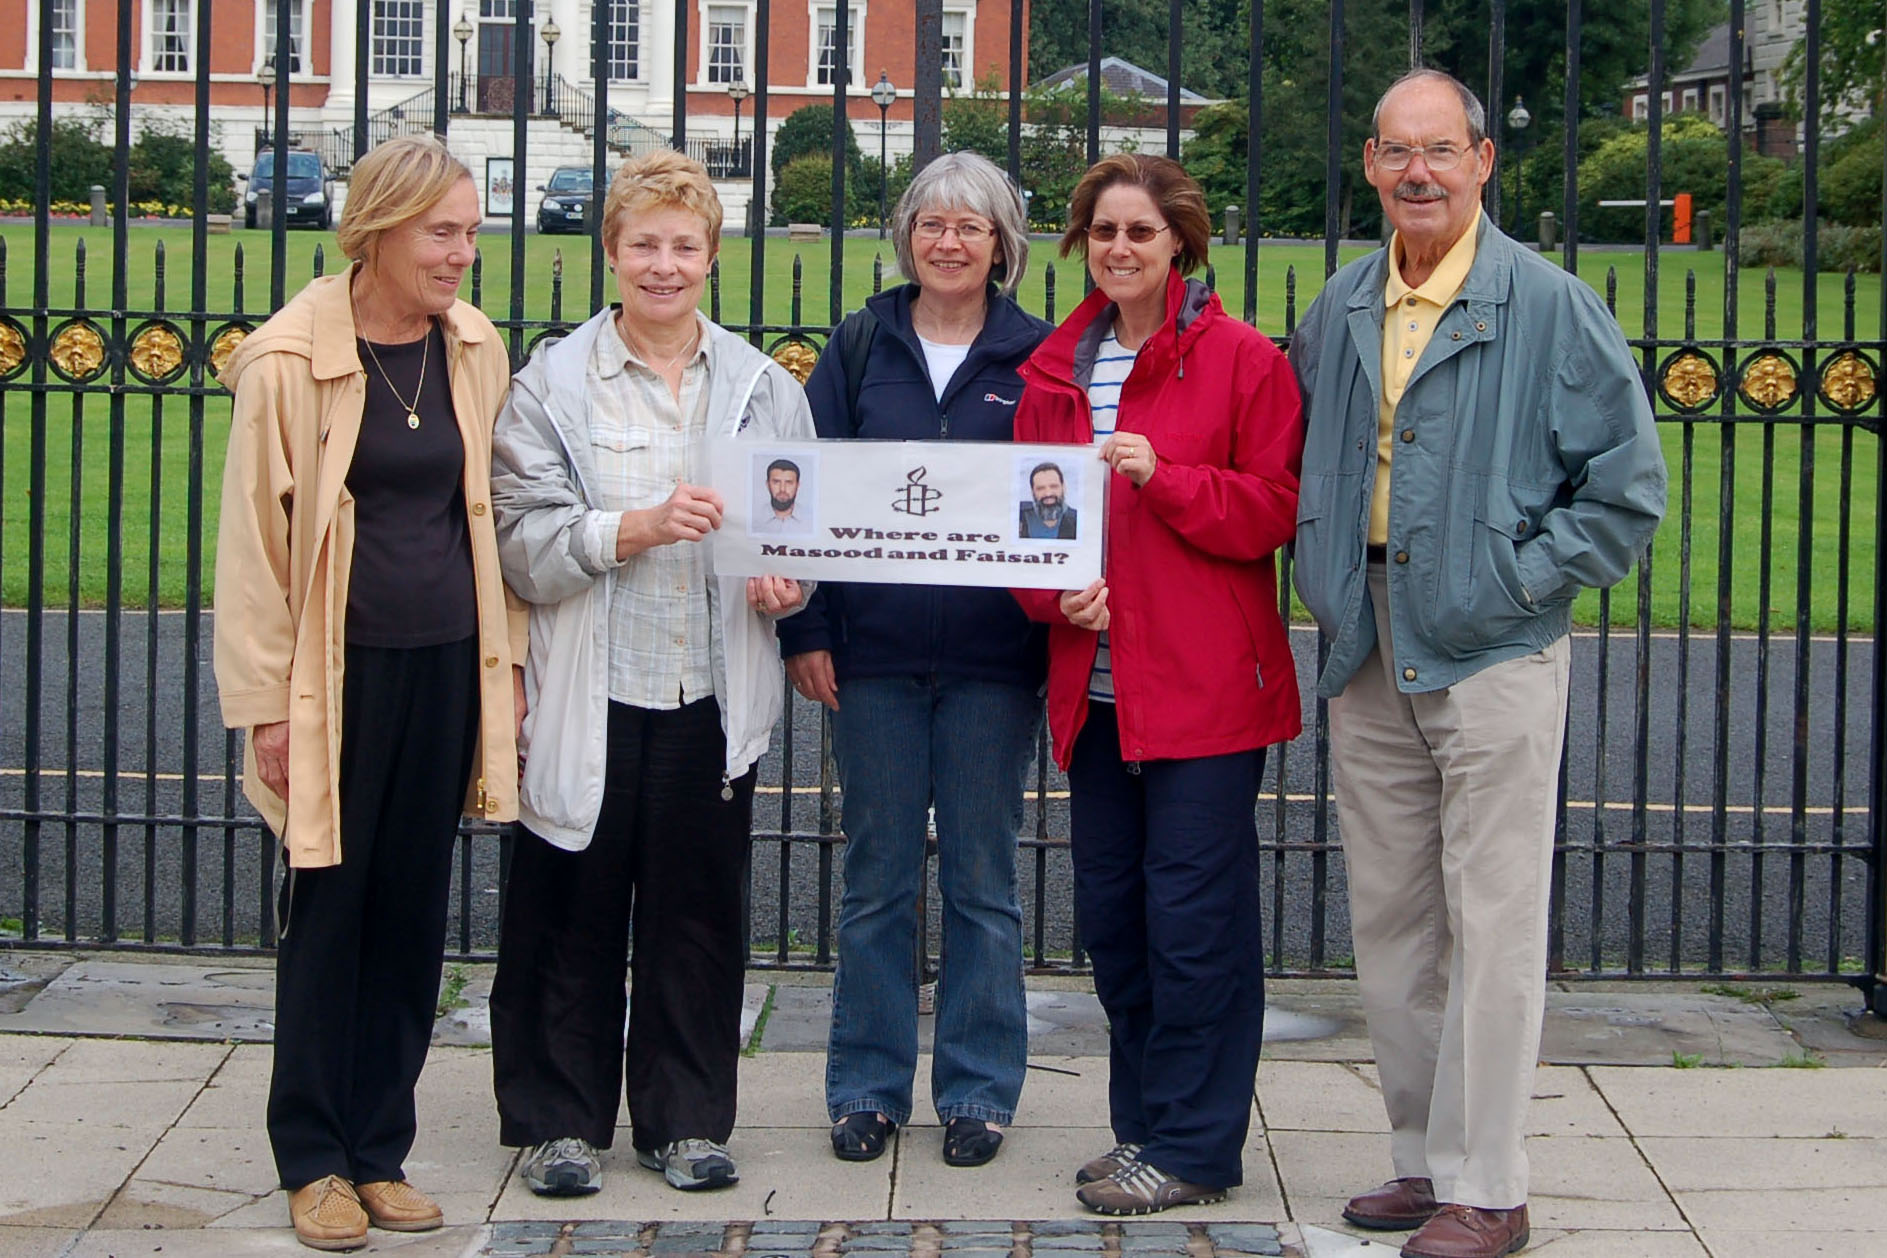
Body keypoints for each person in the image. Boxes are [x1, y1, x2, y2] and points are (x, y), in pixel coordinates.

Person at [1290, 70, 1665, 1258]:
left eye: (1441, 150)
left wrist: (1512, 580)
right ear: (1369, 163)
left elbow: (1624, 493)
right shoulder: (1341, 304)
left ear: (1483, 161)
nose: (1419, 172)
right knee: (1394, 920)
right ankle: (1423, 1161)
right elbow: (1298, 460)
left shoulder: (1549, 305)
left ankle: (1491, 1185)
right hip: (1368, 640)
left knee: (1494, 919)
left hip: (1494, 645)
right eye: (1398, 151)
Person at [212, 134, 523, 1252]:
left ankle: (379, 1150)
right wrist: (262, 713)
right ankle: (313, 1157)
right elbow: (253, 549)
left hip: (446, 663)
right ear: (380, 227)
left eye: (472, 232)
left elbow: (488, 517)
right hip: (330, 683)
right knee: (329, 915)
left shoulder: (472, 347)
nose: (463, 254)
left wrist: (510, 678)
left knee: (410, 914)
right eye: (445, 232)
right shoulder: (290, 357)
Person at [487, 150, 814, 1198]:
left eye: (683, 245)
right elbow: (519, 542)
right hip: (590, 683)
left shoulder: (764, 387)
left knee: (695, 914)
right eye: (643, 245)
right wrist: (628, 527)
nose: (663, 266)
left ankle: (685, 1121)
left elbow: (799, 536)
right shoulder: (553, 383)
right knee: (566, 906)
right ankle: (559, 1122)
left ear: (711, 256)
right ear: (612, 252)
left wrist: (784, 584)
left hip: (707, 694)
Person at [1011, 153, 1302, 1214]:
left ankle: (1195, 1145)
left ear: (1181, 240)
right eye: (1103, 231)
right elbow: (1027, 530)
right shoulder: (1055, 371)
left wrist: (1164, 479)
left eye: (1141, 230)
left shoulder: (1240, 361)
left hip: (1206, 694)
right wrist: (1060, 601)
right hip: (1095, 692)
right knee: (1118, 921)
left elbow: (1273, 508)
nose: (1120, 248)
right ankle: (1143, 1126)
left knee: (1195, 925)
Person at [776, 151, 1053, 1169]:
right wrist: (804, 630)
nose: (947, 243)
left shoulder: (1039, 354)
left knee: (983, 877)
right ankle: (866, 1087)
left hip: (993, 661)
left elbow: (1057, 509)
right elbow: (804, 496)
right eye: (931, 224)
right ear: (907, 236)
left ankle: (978, 1092)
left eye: (970, 228)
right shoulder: (860, 343)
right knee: (878, 875)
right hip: (873, 659)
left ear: (1001, 244)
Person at [1019, 461, 1078, 539]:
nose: (1048, 494)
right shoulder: (1020, 515)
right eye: (1040, 488)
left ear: (1063, 487)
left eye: (1054, 486)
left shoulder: (1078, 520)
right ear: (1032, 491)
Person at [755, 457, 811, 534]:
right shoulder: (754, 519)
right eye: (776, 482)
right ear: (768, 485)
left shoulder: (809, 520)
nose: (782, 489)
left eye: (789, 483)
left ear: (797, 486)